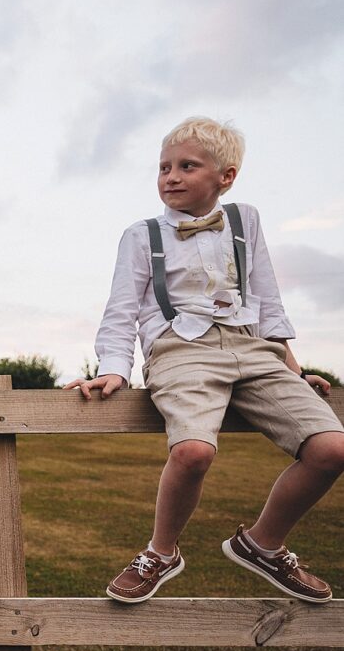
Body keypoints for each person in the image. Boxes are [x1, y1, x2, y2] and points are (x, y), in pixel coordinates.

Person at [64, 116, 344, 604]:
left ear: (225, 177)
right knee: (193, 451)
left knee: (333, 449)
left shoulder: (245, 220)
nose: (170, 176)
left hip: (253, 350)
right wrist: (114, 367)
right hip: (179, 350)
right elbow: (122, 308)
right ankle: (161, 551)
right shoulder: (141, 234)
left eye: (187, 166)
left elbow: (266, 295)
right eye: (164, 167)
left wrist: (291, 366)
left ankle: (263, 543)